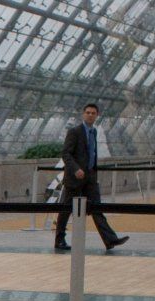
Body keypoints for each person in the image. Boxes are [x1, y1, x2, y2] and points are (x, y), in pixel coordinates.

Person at [54, 103, 128, 252]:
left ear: (97, 115)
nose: (90, 115)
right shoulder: (74, 132)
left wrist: (92, 172)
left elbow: (92, 154)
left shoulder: (94, 132)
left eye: (93, 113)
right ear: (83, 114)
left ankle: (110, 240)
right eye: (87, 112)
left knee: (97, 208)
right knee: (65, 210)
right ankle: (59, 239)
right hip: (75, 178)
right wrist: (75, 169)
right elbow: (66, 153)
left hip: (90, 178)